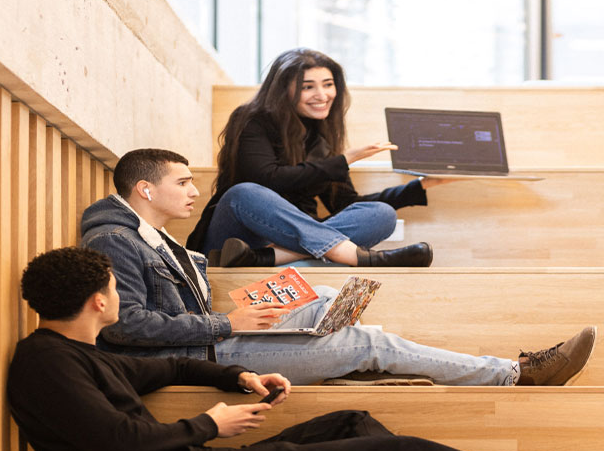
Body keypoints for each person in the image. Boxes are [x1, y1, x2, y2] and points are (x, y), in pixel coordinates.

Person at [7, 246, 604, 451]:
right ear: (100, 301)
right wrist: (212, 424)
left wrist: (236, 376)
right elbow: (117, 442)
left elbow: (160, 371)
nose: (120, 297)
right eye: (116, 289)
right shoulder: (46, 365)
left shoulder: (78, 352)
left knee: (351, 421)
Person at [80, 148, 597, 387]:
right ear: (146, 189)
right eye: (183, 182)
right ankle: (513, 374)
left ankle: (341, 360)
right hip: (204, 354)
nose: (195, 191)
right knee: (371, 341)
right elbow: (124, 327)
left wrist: (251, 305)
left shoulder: (154, 237)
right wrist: (226, 322)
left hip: (213, 337)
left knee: (324, 295)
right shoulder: (115, 240)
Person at [186, 47, 447, 268]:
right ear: (283, 90)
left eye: (328, 85)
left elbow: (345, 204)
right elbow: (266, 178)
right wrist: (343, 161)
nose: (322, 95)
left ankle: (268, 258)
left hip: (261, 251)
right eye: (307, 87)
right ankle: (352, 256)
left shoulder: (323, 138)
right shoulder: (252, 120)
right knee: (243, 193)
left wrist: (421, 186)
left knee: (382, 214)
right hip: (236, 238)